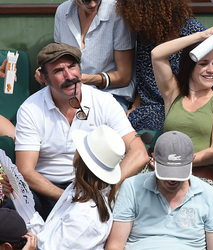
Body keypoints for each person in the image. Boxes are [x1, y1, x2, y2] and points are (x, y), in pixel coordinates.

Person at [11, 43, 148, 220]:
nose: (69, 76)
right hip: (47, 190)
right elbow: (26, 171)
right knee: (12, 212)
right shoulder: (30, 109)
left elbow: (139, 152)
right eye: (58, 71)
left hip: (95, 185)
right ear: (45, 79)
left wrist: (107, 189)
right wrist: (68, 199)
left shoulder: (104, 101)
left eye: (72, 66)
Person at [116, 0, 213, 131]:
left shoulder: (193, 31)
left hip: (188, 105)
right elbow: (145, 80)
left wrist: (199, 109)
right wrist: (135, 105)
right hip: (152, 107)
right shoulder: (146, 36)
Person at [2, 125, 125, 249]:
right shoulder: (78, 190)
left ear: (81, 159)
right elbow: (47, 236)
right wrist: (19, 199)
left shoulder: (84, 216)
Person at [105, 131, 213, 250]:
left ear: (192, 160)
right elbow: (115, 245)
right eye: (166, 171)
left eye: (178, 172)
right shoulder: (132, 186)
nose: (172, 179)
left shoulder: (209, 194)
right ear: (153, 158)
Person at [151, 23, 213, 189]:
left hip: (198, 180)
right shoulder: (173, 94)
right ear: (190, 65)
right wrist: (202, 36)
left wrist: (174, 164)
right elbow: (157, 54)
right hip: (161, 176)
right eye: (204, 63)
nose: (211, 70)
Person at [35, 0, 136, 110]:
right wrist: (46, 71)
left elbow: (124, 77)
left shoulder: (117, 11)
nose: (92, 4)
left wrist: (85, 79)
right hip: (68, 96)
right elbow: (60, 59)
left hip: (109, 95)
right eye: (85, 0)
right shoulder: (63, 11)